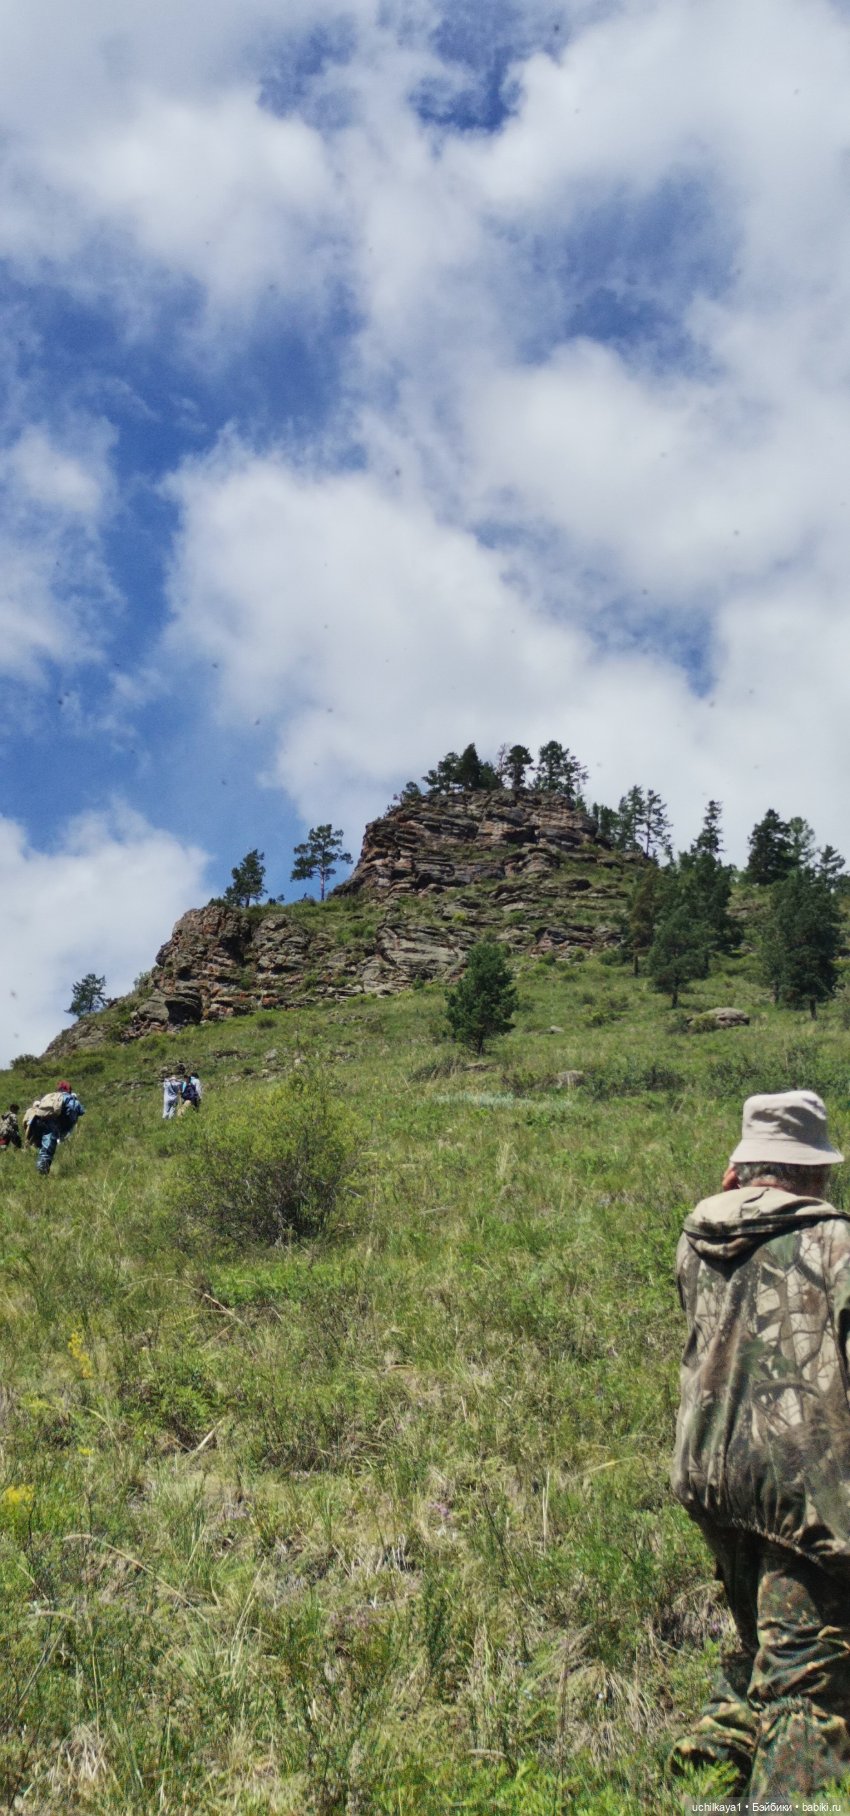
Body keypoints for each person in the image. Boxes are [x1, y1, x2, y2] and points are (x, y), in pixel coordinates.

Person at [669, 1089, 850, 1798]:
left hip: (712, 1472)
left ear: (744, 1166)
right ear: (813, 1171)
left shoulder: (698, 1238)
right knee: (810, 1688)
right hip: (803, 1486)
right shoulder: (835, 1244)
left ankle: (701, 1784)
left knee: (764, 1646)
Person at [23, 1081, 85, 1175]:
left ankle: (41, 1171)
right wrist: (69, 1121)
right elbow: (78, 1109)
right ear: (69, 1089)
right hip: (51, 1125)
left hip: (38, 1122)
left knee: (43, 1148)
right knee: (48, 1150)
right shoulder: (67, 1097)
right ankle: (42, 1173)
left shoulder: (49, 1096)